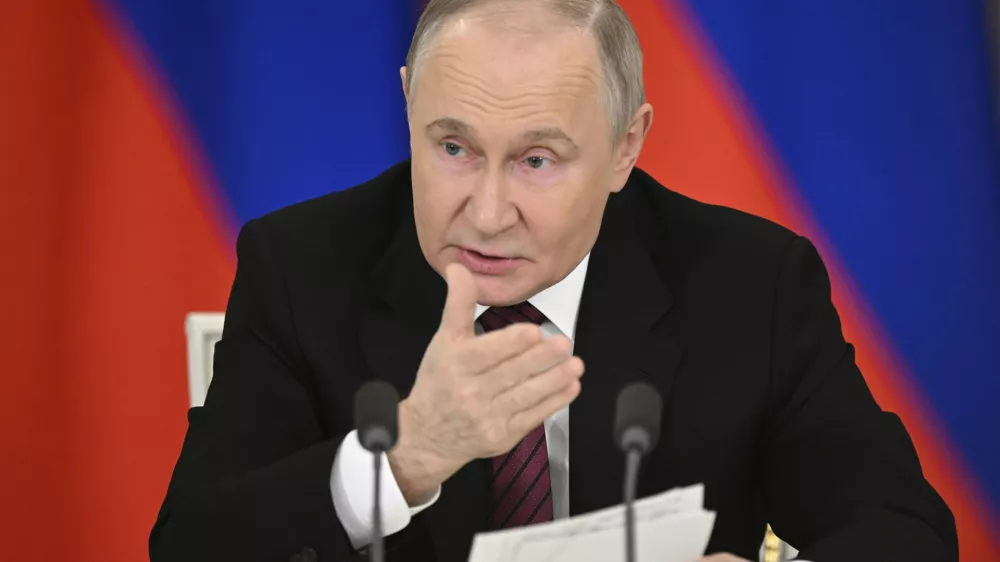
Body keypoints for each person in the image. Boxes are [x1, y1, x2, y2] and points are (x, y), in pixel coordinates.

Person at [149, 1, 957, 561]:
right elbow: (194, 545)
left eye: (537, 160)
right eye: (454, 148)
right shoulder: (302, 267)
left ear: (625, 146)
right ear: (407, 102)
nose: (488, 212)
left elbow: (906, 532)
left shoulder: (752, 283)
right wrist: (403, 457)